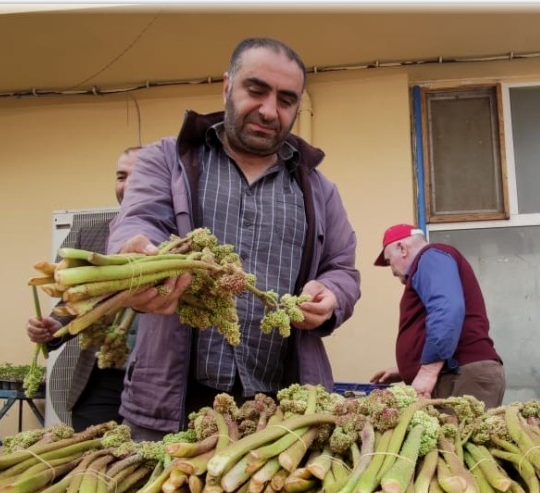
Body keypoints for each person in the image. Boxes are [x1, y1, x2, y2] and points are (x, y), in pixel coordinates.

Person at [107, 37, 361, 441]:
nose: (268, 110)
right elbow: (138, 221)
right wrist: (136, 255)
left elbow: (342, 268)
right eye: (256, 90)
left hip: (281, 411)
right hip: (172, 404)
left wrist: (332, 294)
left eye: (286, 99)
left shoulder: (318, 188)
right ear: (227, 86)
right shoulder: (166, 159)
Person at [25, 146, 141, 431]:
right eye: (121, 176)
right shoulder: (86, 234)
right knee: (92, 462)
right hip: (101, 375)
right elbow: (68, 302)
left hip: (164, 379)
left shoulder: (182, 238)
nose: (126, 185)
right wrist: (53, 326)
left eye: (138, 176)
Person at [369, 223, 506, 407]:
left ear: (402, 248)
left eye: (388, 261)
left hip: (460, 376)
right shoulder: (430, 264)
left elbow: (446, 309)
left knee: (458, 435)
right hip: (456, 374)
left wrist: (427, 372)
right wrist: (406, 370)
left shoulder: (430, 256)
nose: (391, 270)